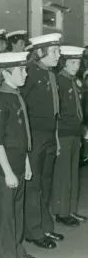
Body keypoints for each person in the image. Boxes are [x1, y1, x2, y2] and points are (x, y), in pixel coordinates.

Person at [21, 33, 64, 249]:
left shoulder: (51, 74)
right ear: (40, 52)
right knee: (34, 185)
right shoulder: (30, 73)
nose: (59, 54)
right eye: (54, 51)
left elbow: (54, 112)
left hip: (48, 135)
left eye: (58, 50)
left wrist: (55, 139)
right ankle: (33, 231)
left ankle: (46, 225)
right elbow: (21, 107)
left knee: (46, 183)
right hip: (34, 136)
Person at [0, 51, 35, 258]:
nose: (25, 74)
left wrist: (26, 162)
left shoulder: (16, 96)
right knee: (7, 217)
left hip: (18, 163)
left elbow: (22, 135)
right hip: (5, 168)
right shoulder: (1, 100)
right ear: (7, 73)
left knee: (17, 212)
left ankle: (17, 251)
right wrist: (8, 172)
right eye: (21, 70)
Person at [52, 45, 87, 226]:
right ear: (63, 63)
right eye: (72, 62)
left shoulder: (76, 81)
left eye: (78, 62)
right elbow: (56, 112)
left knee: (73, 173)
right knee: (63, 174)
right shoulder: (58, 81)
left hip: (75, 132)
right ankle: (61, 211)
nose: (76, 66)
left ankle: (71, 210)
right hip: (63, 133)